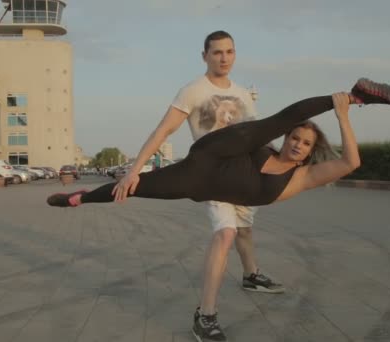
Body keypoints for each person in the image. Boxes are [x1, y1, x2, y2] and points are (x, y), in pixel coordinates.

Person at [48, 78, 390, 341]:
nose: (297, 145)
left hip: (196, 181)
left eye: (305, 143)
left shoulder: (302, 177)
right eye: (294, 138)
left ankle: (78, 197)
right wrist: (339, 103)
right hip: (219, 151)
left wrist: (343, 118)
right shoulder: (265, 148)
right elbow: (281, 123)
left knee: (137, 190)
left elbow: (352, 161)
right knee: (270, 125)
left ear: (311, 151)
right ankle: (354, 95)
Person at [107, 30, 285, 342]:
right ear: (204, 56)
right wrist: (134, 170)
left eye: (229, 52)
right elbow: (163, 130)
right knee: (226, 233)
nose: (224, 58)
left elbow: (256, 137)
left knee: (244, 228)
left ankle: (251, 275)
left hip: (244, 175)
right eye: (217, 52)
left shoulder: (243, 94)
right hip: (213, 176)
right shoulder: (192, 91)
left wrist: (283, 160)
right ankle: (206, 316)